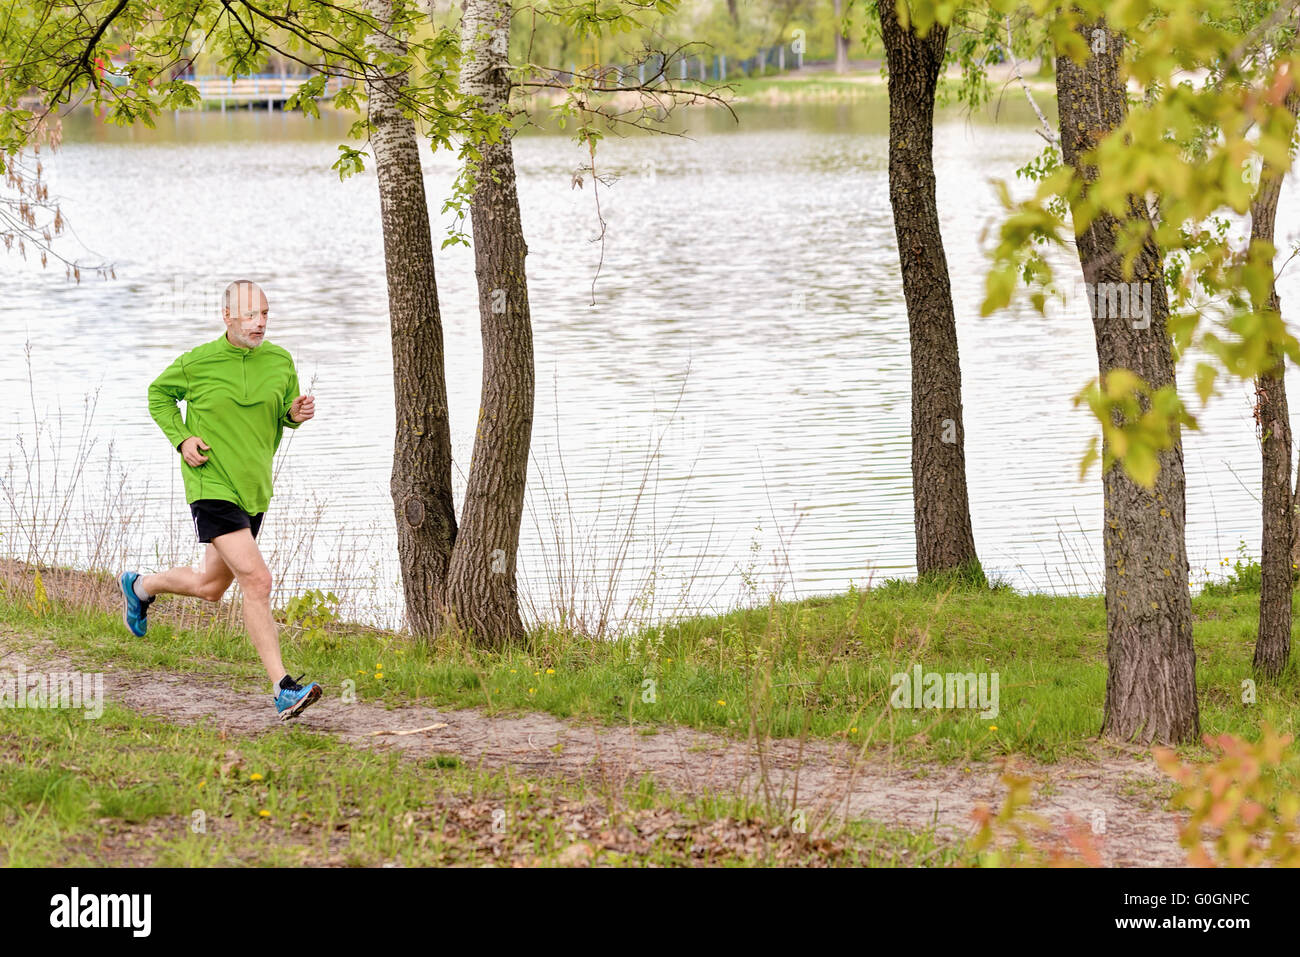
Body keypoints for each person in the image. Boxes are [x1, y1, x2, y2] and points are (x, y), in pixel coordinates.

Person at [119, 279, 323, 721]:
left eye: (265, 314)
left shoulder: (280, 360)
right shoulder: (199, 362)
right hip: (210, 484)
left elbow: (284, 411)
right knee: (258, 581)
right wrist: (182, 438)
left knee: (211, 588)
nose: (260, 322)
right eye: (251, 315)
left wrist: (295, 414)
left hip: (253, 488)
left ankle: (139, 586)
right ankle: (284, 689)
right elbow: (158, 395)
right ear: (227, 316)